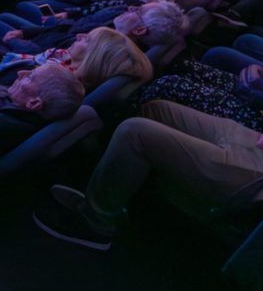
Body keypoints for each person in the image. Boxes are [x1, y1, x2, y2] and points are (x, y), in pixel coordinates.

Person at [33, 99, 263, 251]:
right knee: (156, 109)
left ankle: (96, 221)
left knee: (134, 132)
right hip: (256, 141)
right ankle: (115, 190)